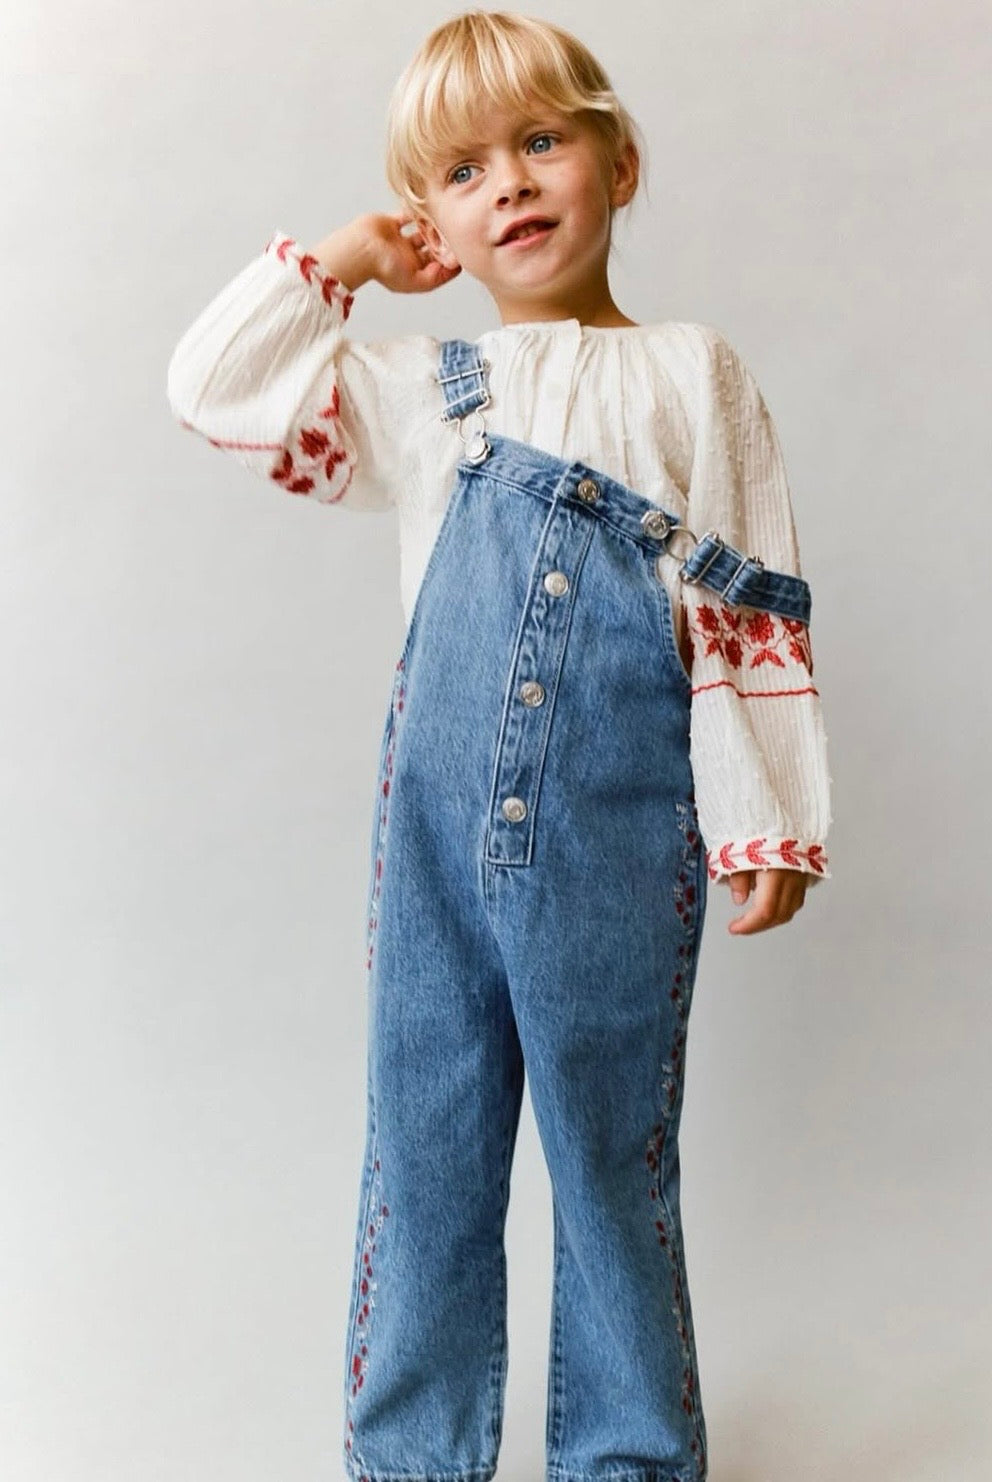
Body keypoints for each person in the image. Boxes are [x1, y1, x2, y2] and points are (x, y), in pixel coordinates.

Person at [166, 11, 833, 1481]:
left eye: (541, 143)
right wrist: (341, 263)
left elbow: (749, 604)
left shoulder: (694, 372)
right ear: (434, 220)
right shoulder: (420, 391)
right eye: (463, 172)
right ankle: (413, 1456)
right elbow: (210, 390)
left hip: (617, 829)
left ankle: (628, 1455)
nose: (511, 185)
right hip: (437, 841)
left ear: (619, 162)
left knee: (610, 1152)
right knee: (427, 1144)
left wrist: (763, 812)